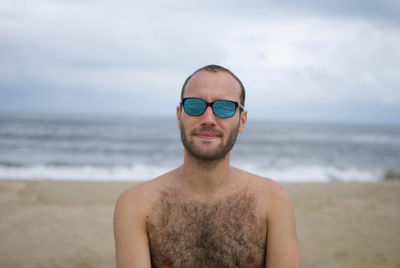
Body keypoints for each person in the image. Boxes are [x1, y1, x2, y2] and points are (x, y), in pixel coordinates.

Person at [113, 64, 302, 267]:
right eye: (195, 105)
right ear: (179, 115)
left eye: (224, 107)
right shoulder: (136, 205)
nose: (208, 119)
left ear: (242, 120)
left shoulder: (272, 200)